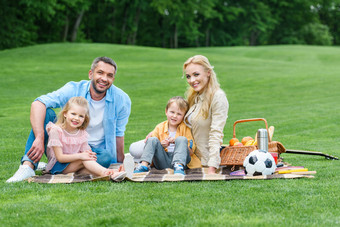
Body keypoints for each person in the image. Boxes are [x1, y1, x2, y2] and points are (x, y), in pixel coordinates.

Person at [7, 56, 131, 183]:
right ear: (90, 74)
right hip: (63, 146)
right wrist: (39, 137)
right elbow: (38, 104)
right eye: (100, 73)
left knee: (105, 157)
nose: (104, 79)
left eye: (109, 75)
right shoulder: (73, 89)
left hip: (90, 150)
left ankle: (56, 167)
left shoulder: (122, 100)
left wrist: (119, 162)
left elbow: (118, 134)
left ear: (113, 79)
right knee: (47, 113)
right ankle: (28, 166)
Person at [130, 55, 228, 175]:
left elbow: (216, 133)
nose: (192, 80)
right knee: (134, 148)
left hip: (191, 151)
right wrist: (158, 131)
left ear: (208, 73)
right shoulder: (195, 96)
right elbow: (177, 117)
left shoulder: (217, 97)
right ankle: (142, 164)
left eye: (196, 74)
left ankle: (146, 163)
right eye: (188, 76)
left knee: (137, 151)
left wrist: (212, 168)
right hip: (173, 142)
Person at [45, 97, 126, 180]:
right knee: (85, 159)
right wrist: (82, 156)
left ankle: (112, 173)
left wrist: (88, 155)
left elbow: (86, 153)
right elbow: (60, 158)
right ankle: (106, 172)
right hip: (59, 166)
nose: (76, 118)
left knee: (90, 165)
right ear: (65, 114)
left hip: (75, 165)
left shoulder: (82, 133)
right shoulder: (56, 130)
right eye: (73, 114)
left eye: (81, 116)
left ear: (84, 119)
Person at [133, 96, 201, 175]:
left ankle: (178, 166)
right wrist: (162, 145)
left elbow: (191, 152)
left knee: (181, 139)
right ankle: (143, 165)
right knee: (152, 140)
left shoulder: (186, 129)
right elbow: (152, 148)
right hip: (163, 161)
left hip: (182, 162)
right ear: (166, 111)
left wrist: (178, 144)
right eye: (172, 112)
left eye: (179, 114)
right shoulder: (159, 127)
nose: (174, 116)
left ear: (184, 116)